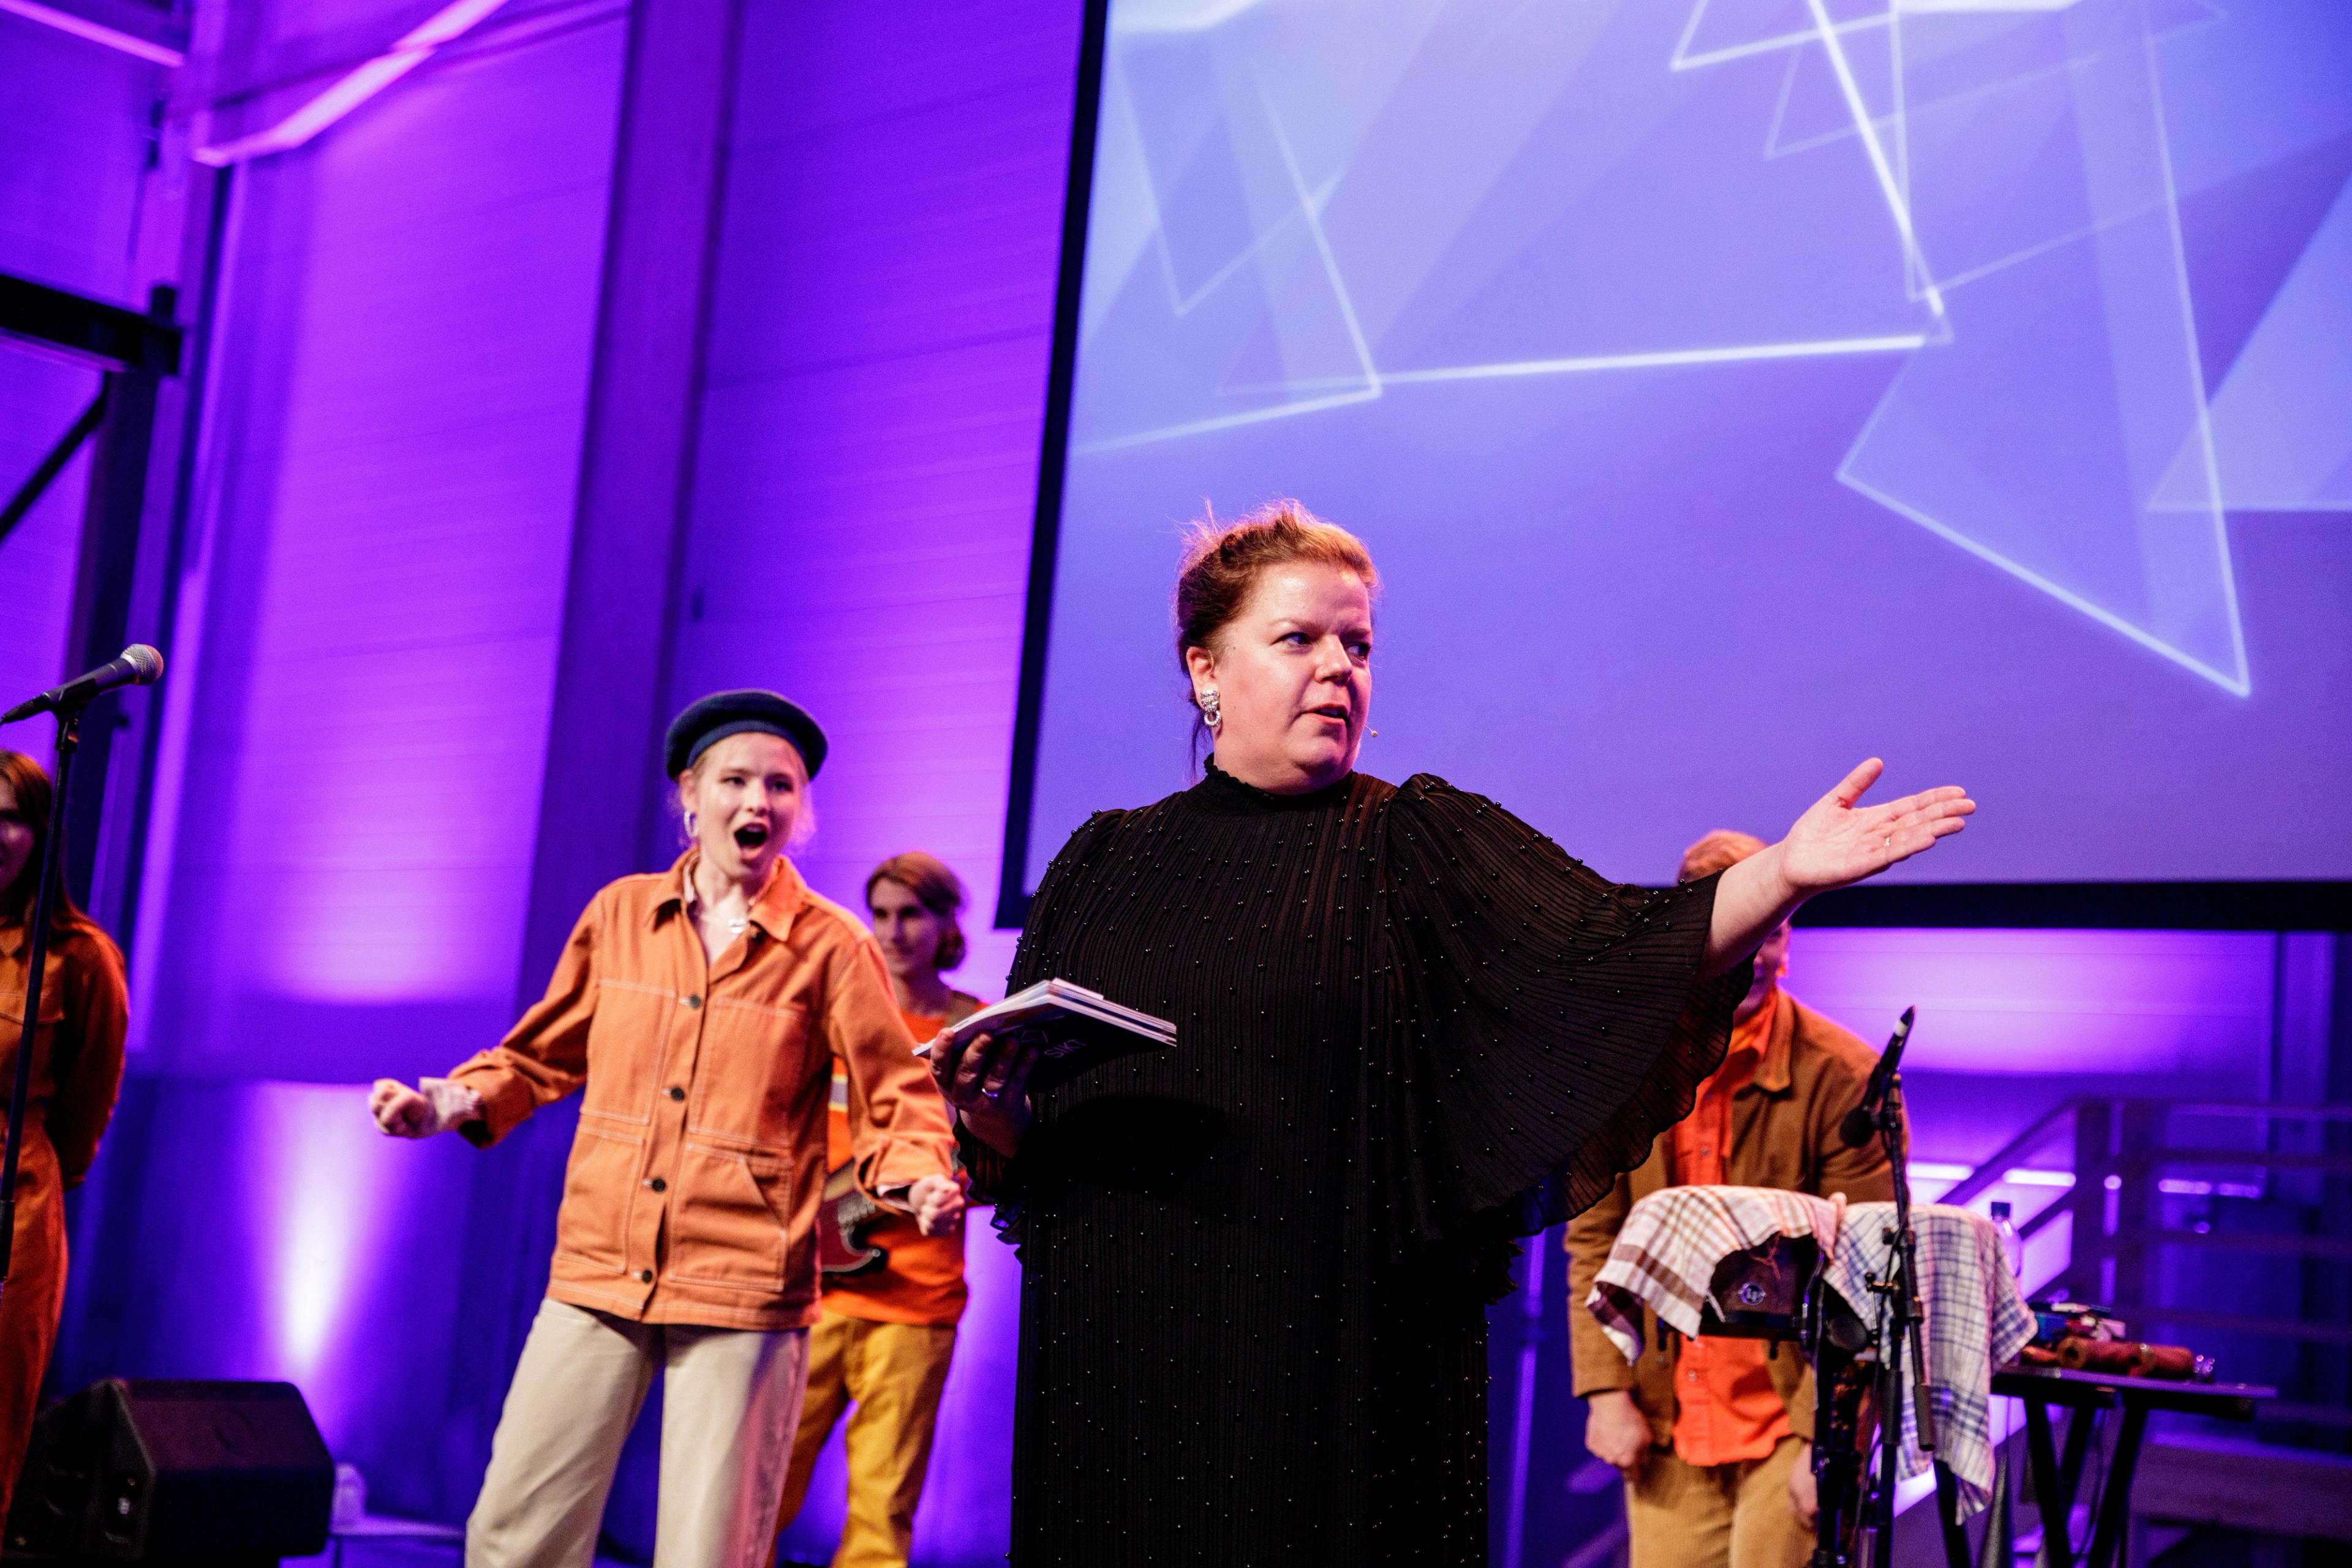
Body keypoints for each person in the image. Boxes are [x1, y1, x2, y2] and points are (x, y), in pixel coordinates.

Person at [927, 502, 1974, 1567]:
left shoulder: (1410, 840)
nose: (1338, 668)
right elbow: (1036, 1150)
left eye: (1357, 645)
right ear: (1206, 667)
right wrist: (997, 1118)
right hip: (1127, 1358)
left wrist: (1782, 873)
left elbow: (1615, 947)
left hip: (1333, 1368)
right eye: (1299, 639)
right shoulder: (1102, 864)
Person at [368, 692, 960, 1568]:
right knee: (516, 1536)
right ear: (691, 795)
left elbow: (896, 1093)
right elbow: (537, 1057)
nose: (758, 802)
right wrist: (447, 1104)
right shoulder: (620, 916)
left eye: (781, 786)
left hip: (743, 1286)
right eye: (736, 781)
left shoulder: (833, 944)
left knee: (708, 1551)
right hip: (599, 1266)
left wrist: (918, 1177)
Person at [1567, 829, 1899, 1568]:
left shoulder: (1844, 1075)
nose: (1750, 954)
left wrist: (1827, 1438)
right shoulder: (1623, 1062)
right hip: (1667, 1413)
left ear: (1788, 941)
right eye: (1731, 929)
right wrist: (1605, 1390)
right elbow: (1594, 1238)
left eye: (1769, 932)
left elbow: (1871, 1274)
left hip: (1791, 1418)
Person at [776, 852, 980, 1568]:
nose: (894, 931)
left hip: (915, 1298)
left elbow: (993, 1159)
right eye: (882, 914)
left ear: (946, 923)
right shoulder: (837, 1012)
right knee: (756, 1490)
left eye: (912, 913)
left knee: (881, 1512)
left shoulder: (974, 1029)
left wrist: (947, 1183)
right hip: (811, 1289)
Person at [0, 752, 126, 1521]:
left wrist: (28, 1173)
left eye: (11, 817)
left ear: (42, 833)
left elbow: (87, 1109)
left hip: (13, 1209)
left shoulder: (79, 957)